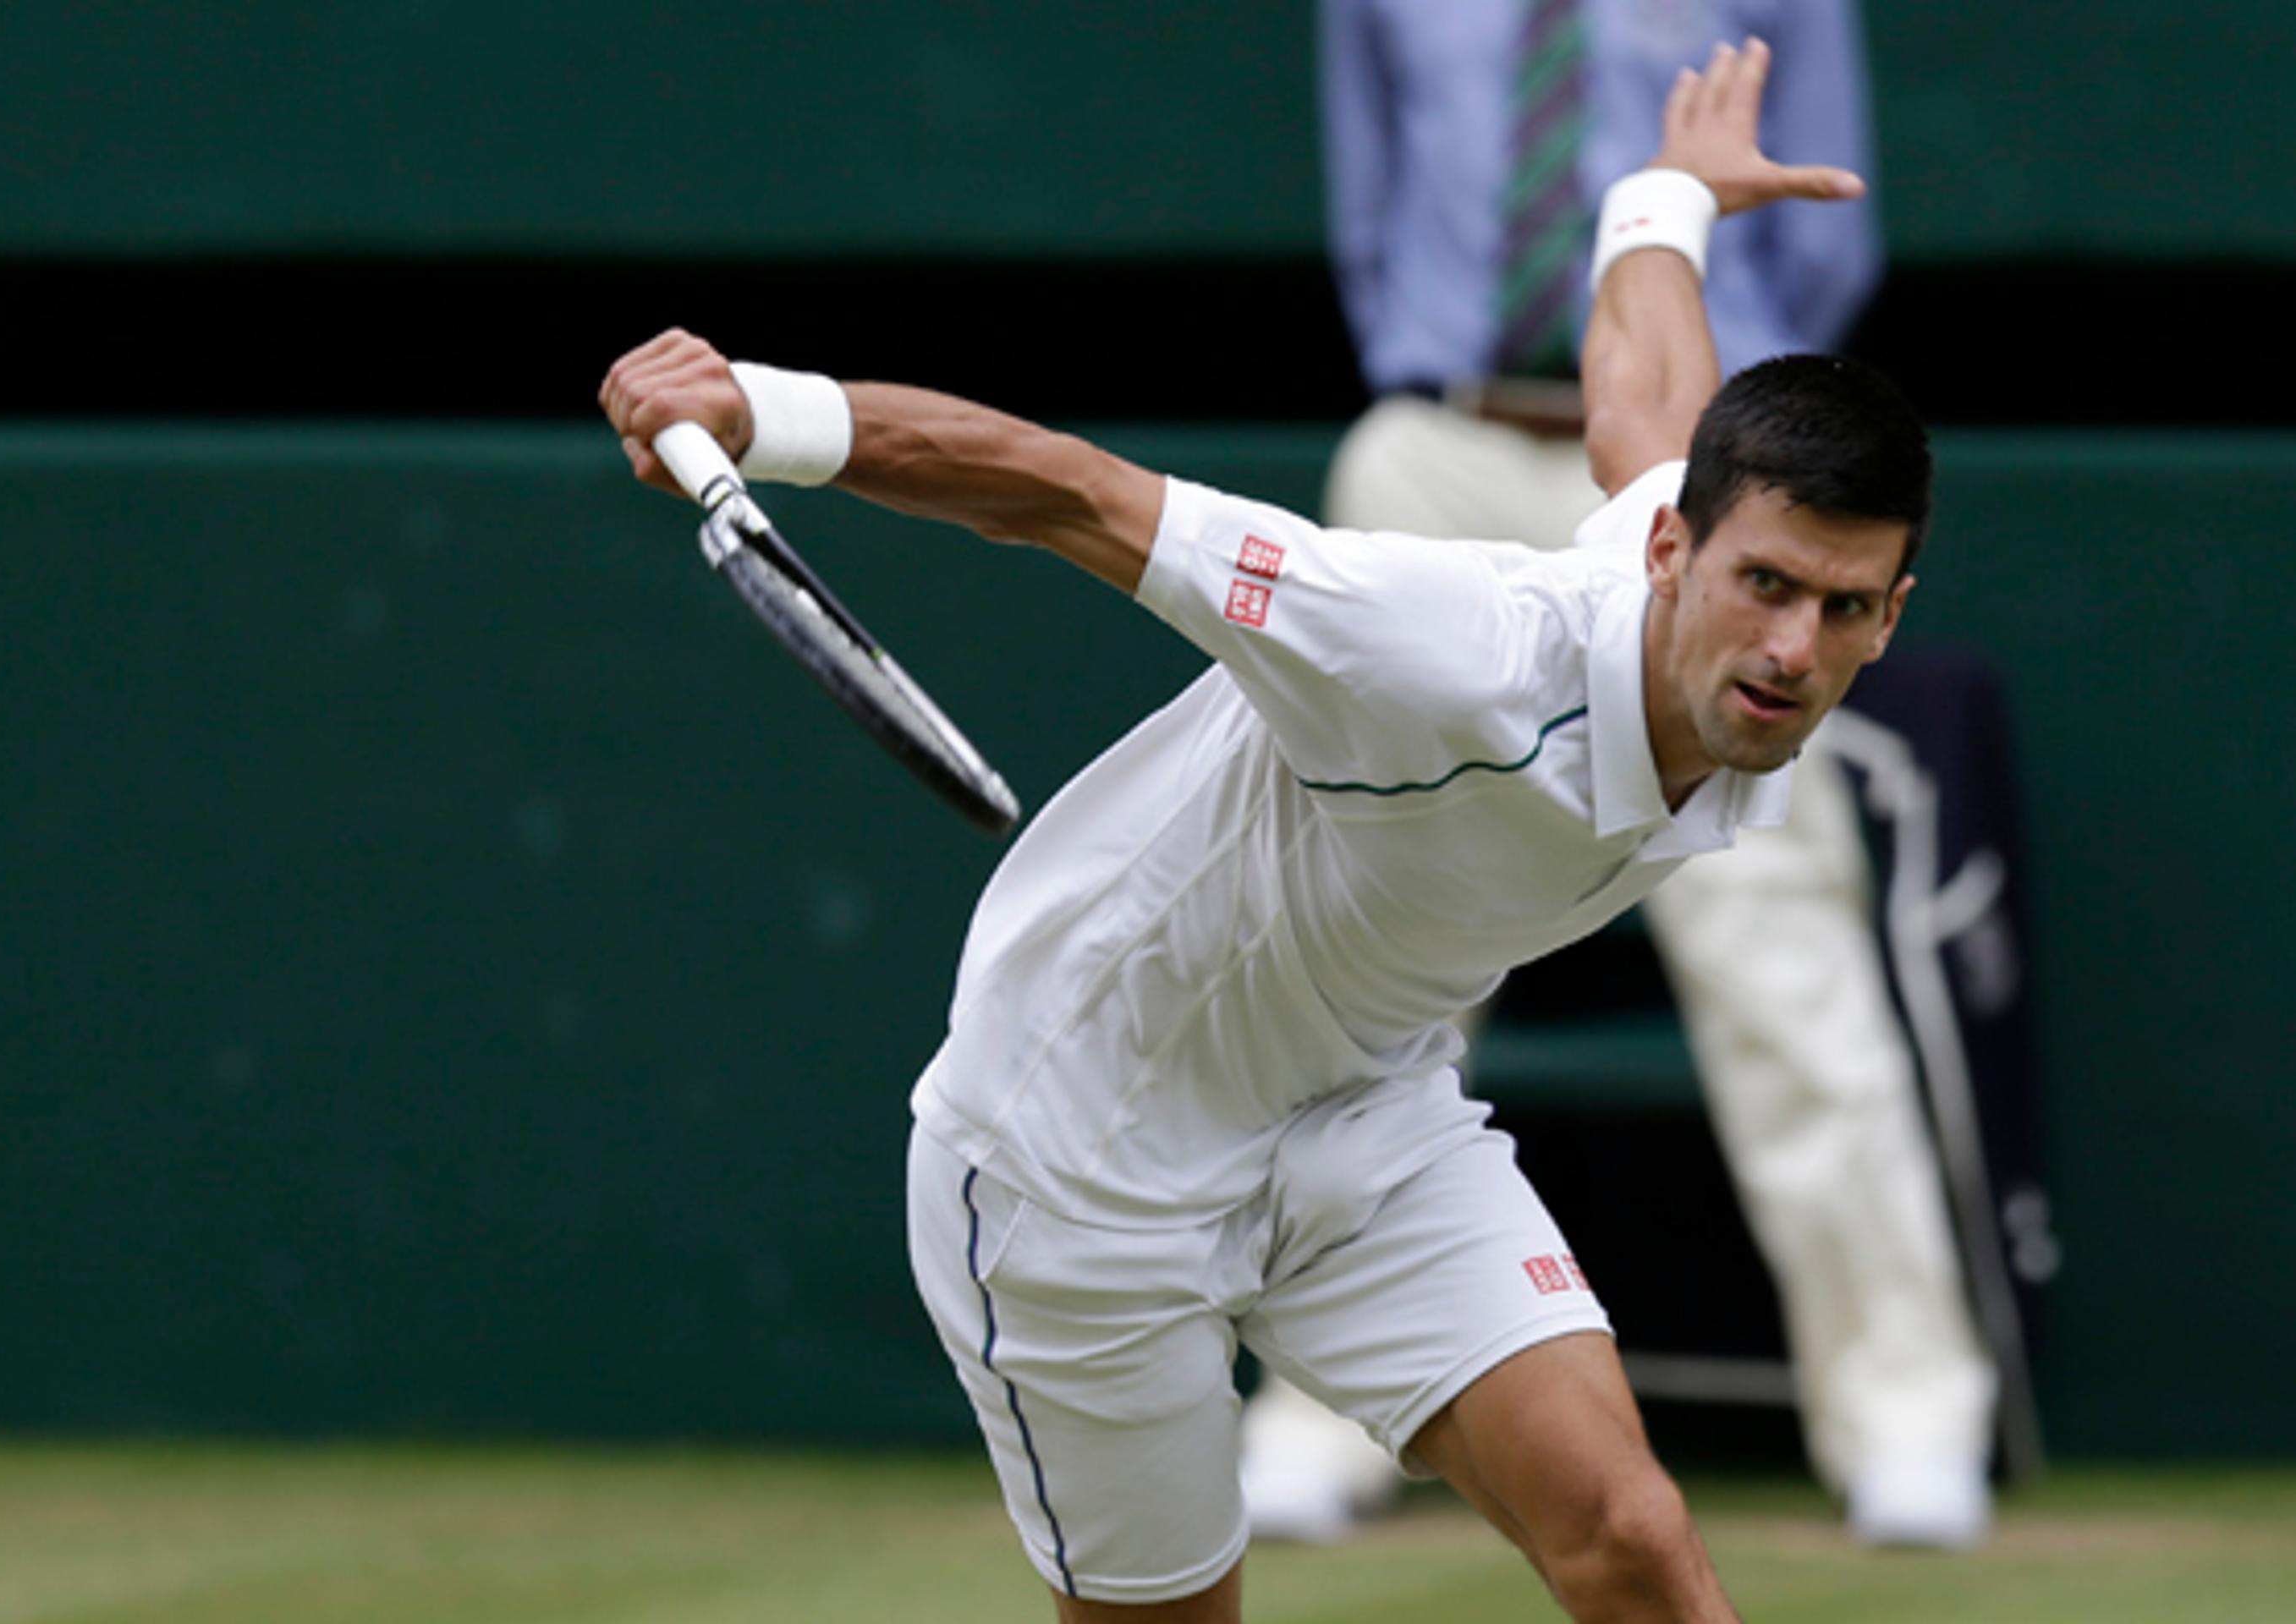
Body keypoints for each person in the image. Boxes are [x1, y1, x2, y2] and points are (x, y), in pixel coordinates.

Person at [607, 41, 1898, 1623]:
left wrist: (1661, 198)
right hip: (1079, 1155)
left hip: (1364, 1122)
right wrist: (765, 408)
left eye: (1842, 608)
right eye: (1765, 586)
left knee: (1632, 1543)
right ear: (1679, 557)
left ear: (1890, 617)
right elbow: (1075, 493)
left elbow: (1647, 397)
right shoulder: (1432, 641)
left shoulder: (1728, 608)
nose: (1791, 647)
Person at [1239, 0, 1996, 1552]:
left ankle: (1910, 1417)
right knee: (1356, 951)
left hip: (1706, 473)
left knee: (1782, 953)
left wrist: (1739, 455)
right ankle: (1322, 1411)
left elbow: (1823, 235)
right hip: (1436, 449)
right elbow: (1374, 206)